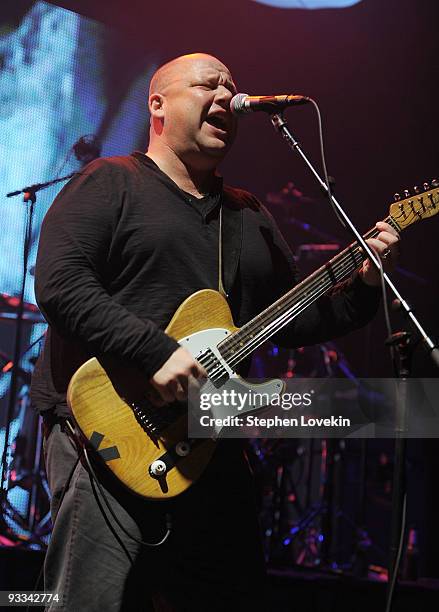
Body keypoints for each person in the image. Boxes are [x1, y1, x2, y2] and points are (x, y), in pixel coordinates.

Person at [30, 53, 400, 611]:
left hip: (211, 440)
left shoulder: (247, 215)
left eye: (233, 87)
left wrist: (366, 284)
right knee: (91, 601)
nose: (228, 96)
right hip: (109, 433)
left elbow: (294, 320)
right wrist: (155, 352)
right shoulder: (111, 182)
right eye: (209, 85)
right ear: (157, 104)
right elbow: (61, 284)